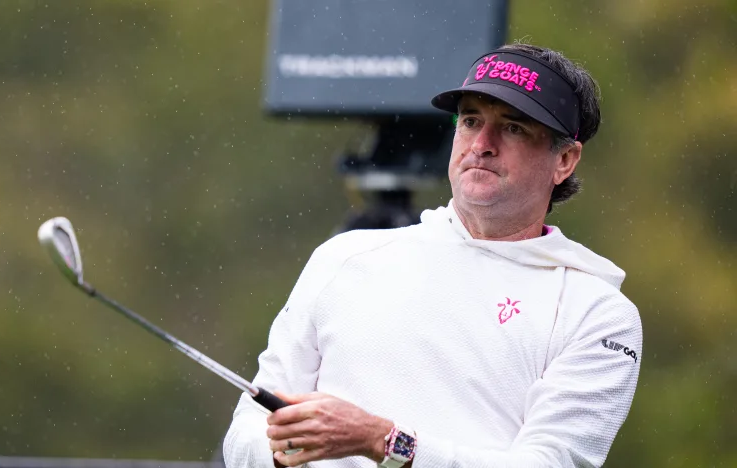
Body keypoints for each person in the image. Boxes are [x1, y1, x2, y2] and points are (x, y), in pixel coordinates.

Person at [222, 42, 643, 468]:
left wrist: (382, 441)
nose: (482, 143)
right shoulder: (344, 257)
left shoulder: (598, 313)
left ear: (565, 160)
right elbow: (247, 433)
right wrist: (283, 453)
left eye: (513, 127)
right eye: (471, 121)